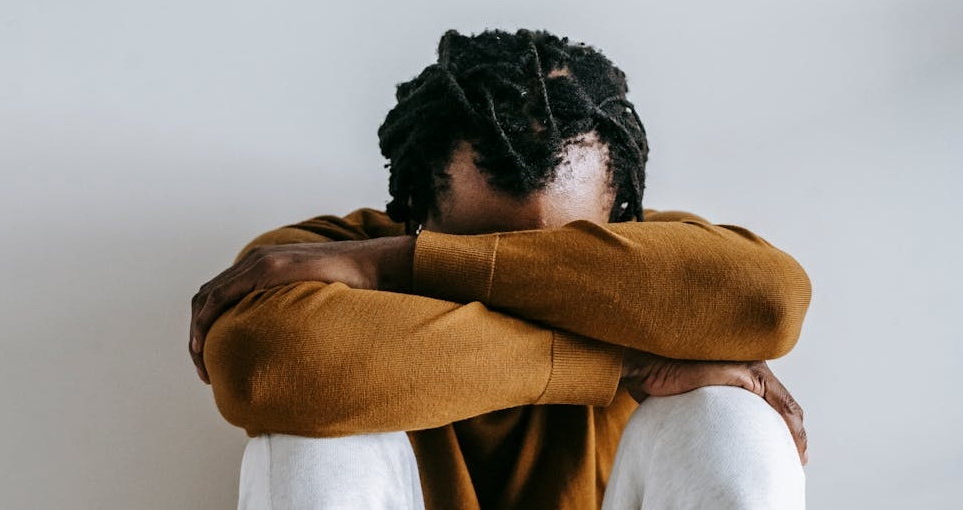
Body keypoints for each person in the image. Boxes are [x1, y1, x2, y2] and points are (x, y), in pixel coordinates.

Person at [189, 29, 811, 509]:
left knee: (731, 419)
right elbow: (267, 365)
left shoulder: (653, 265)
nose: (527, 266)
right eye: (488, 243)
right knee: (307, 437)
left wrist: (400, 266)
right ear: (417, 210)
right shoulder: (317, 256)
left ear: (617, 222)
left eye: (566, 254)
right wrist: (620, 362)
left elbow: (771, 300)